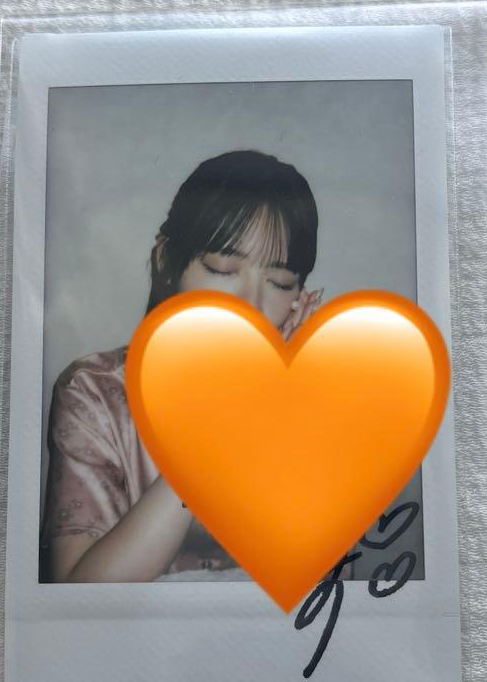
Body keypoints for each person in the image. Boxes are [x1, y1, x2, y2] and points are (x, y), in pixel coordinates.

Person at [39, 149, 328, 583]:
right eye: (222, 269)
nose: (250, 306)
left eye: (279, 282)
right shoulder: (94, 392)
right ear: (166, 262)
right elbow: (83, 594)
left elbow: (326, 595)